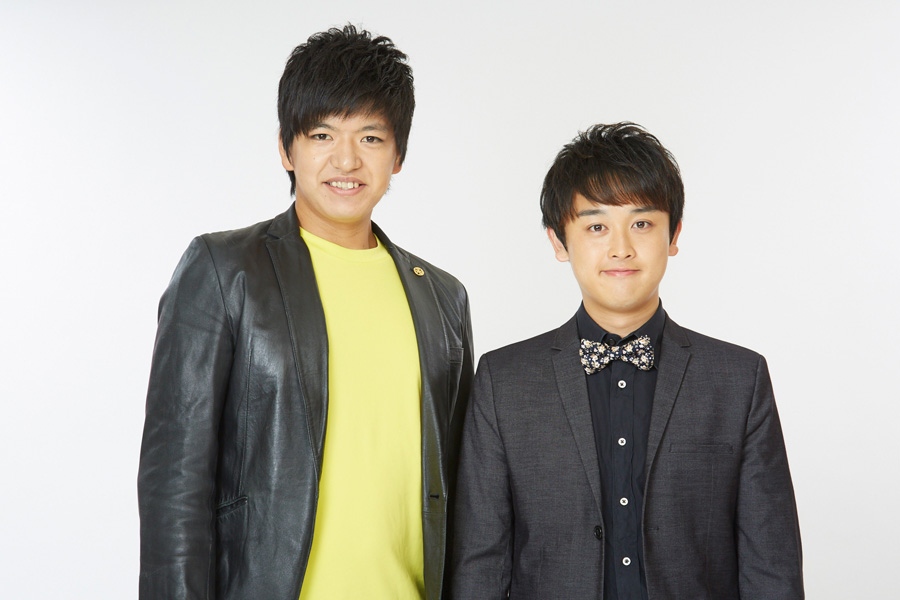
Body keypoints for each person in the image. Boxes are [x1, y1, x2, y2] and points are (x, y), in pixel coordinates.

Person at [138, 25, 474, 600]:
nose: (346, 159)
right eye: (322, 134)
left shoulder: (443, 298)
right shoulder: (225, 270)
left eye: (371, 137)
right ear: (286, 148)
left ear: (398, 155)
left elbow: (464, 489)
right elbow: (174, 485)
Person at [451, 123, 802, 599]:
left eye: (641, 224)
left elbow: (772, 567)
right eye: (596, 227)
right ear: (559, 241)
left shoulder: (738, 379)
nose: (621, 248)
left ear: (674, 234)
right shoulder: (504, 381)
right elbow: (480, 564)